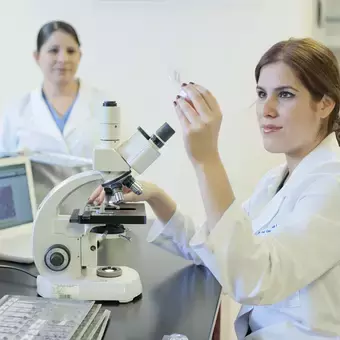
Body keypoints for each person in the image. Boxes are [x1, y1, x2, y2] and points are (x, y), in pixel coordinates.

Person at [89, 37, 340, 339]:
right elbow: (217, 247)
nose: (266, 109)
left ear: (325, 103)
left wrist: (207, 158)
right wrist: (154, 195)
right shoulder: (276, 180)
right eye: (262, 94)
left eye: (285, 94)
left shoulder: (332, 184)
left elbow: (254, 279)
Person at [0, 20, 111, 205]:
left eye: (71, 51)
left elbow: (126, 162)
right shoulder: (17, 112)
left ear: (80, 55)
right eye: (53, 50)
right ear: (37, 56)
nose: (63, 59)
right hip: (38, 217)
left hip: (96, 214)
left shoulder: (105, 105)